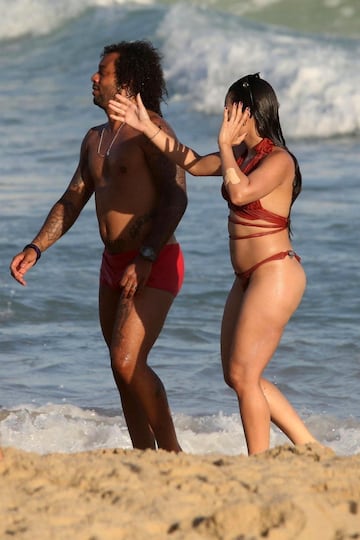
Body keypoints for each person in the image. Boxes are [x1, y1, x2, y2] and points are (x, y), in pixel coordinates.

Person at [108, 73, 318, 455]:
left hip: (276, 273)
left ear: (250, 114)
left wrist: (223, 144)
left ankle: (259, 461)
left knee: (244, 374)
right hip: (247, 278)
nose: (223, 118)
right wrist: (145, 127)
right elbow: (190, 162)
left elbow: (240, 192)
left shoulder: (280, 161)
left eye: (230, 110)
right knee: (237, 375)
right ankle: (310, 446)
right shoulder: (242, 156)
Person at [10, 40, 187, 453]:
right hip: (113, 263)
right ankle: (146, 456)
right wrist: (36, 248)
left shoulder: (152, 131)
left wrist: (144, 258)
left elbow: (176, 198)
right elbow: (73, 198)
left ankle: (174, 454)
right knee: (119, 369)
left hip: (153, 260)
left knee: (129, 361)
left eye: (102, 72)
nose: (94, 77)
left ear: (125, 82)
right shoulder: (94, 139)